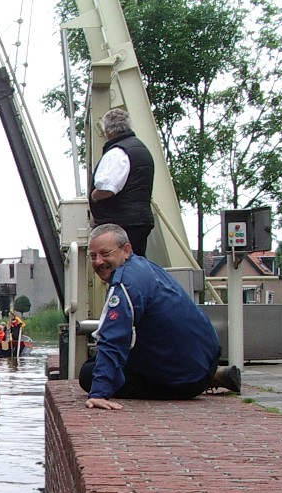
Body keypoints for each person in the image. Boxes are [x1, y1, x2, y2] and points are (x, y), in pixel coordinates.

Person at [78, 224, 242, 410]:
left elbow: (113, 338)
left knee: (88, 373)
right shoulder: (146, 267)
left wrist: (99, 392)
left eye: (105, 253)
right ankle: (213, 374)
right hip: (205, 358)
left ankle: (200, 381)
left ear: (126, 250)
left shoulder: (124, 285)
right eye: (93, 256)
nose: (99, 261)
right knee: (103, 361)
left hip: (183, 380)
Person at [89, 108, 155, 258]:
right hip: (140, 219)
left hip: (121, 223)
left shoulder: (117, 153)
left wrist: (93, 196)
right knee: (135, 262)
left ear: (107, 132)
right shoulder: (141, 149)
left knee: (120, 263)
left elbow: (107, 189)